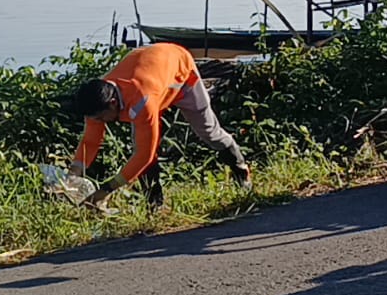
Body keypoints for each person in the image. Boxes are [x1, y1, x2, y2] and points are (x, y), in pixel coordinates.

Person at [68, 42, 251, 211]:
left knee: (209, 132)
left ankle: (241, 172)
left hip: (182, 74)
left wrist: (106, 190)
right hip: (153, 71)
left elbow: (144, 155)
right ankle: (155, 205)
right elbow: (90, 141)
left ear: (113, 103)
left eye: (101, 118)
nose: (99, 122)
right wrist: (72, 177)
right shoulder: (98, 99)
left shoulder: (141, 102)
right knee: (140, 145)